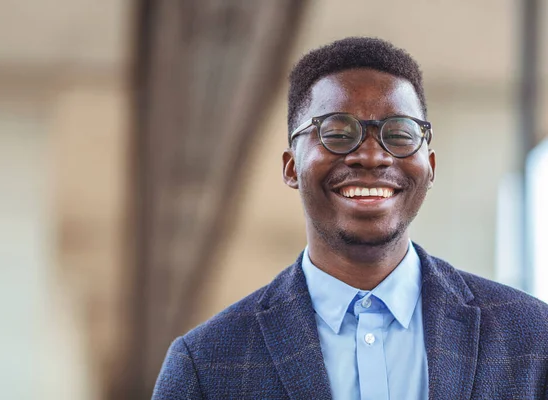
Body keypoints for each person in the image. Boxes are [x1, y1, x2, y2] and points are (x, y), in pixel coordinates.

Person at [153, 37, 548, 399]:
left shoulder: (532, 338)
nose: (372, 156)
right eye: (338, 133)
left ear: (429, 166)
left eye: (399, 133)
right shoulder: (204, 364)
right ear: (291, 168)